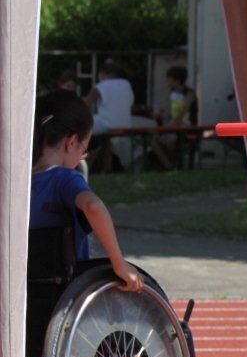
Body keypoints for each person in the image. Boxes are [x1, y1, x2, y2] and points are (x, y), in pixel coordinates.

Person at [31, 89, 142, 292]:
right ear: (71, 142)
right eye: (84, 149)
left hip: (25, 288)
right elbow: (93, 206)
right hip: (66, 290)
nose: (83, 156)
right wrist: (119, 263)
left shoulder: (19, 182)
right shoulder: (65, 178)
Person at [85, 59, 135, 172]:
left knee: (78, 128)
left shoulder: (101, 85)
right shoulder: (126, 84)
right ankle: (106, 168)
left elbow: (86, 104)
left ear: (102, 74)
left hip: (106, 124)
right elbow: (130, 106)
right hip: (125, 123)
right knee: (106, 140)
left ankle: (79, 162)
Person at [151, 65, 199, 170]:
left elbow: (182, 112)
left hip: (188, 127)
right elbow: (171, 112)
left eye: (169, 79)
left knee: (171, 140)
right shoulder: (172, 93)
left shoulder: (189, 94)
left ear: (177, 80)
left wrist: (171, 124)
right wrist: (163, 115)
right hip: (174, 126)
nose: (167, 82)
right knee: (154, 142)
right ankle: (169, 166)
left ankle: (177, 164)